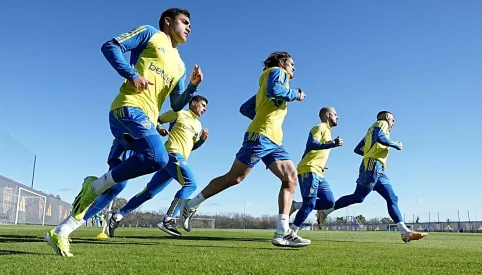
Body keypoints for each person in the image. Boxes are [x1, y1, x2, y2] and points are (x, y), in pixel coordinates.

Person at [45, 7, 203, 257]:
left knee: (121, 184)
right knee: (159, 158)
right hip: (127, 109)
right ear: (167, 21)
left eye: (190, 24)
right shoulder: (151, 34)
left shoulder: (181, 66)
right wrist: (132, 75)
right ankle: (94, 186)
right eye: (184, 22)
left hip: (145, 122)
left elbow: (175, 104)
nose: (189, 27)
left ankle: (62, 230)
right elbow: (110, 46)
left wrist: (192, 87)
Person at [179, 51, 310, 247]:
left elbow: (245, 108)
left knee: (290, 178)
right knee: (235, 177)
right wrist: (296, 94)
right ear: (282, 63)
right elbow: (275, 90)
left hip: (274, 140)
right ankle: (190, 205)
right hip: (261, 137)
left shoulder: (264, 86)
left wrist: (262, 117)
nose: (294, 69)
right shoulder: (277, 73)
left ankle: (283, 232)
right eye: (292, 64)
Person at [318, 111, 428, 243]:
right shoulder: (381, 123)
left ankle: (405, 232)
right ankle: (324, 210)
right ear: (387, 117)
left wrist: (370, 151)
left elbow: (358, 149)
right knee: (358, 197)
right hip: (372, 166)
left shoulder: (370, 131)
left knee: (391, 198)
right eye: (393, 120)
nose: (393, 123)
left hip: (378, 169)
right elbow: (380, 137)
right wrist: (395, 144)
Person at [108, 95, 209, 237]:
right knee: (190, 183)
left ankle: (117, 215)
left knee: (150, 192)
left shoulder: (198, 126)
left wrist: (202, 140)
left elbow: (191, 147)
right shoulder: (178, 113)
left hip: (177, 161)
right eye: (203, 105)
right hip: (172, 154)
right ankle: (169, 220)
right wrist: (160, 129)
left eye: (206, 107)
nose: (204, 109)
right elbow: (155, 119)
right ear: (193, 103)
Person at [288, 107, 342, 237]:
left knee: (329, 202)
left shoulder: (327, 131)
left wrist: (321, 164)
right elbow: (311, 144)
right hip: (309, 170)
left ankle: (295, 205)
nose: (337, 117)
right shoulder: (320, 127)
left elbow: (309, 151)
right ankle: (292, 233)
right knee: (310, 203)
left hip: (317, 171)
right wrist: (332, 144)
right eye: (335, 114)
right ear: (328, 115)